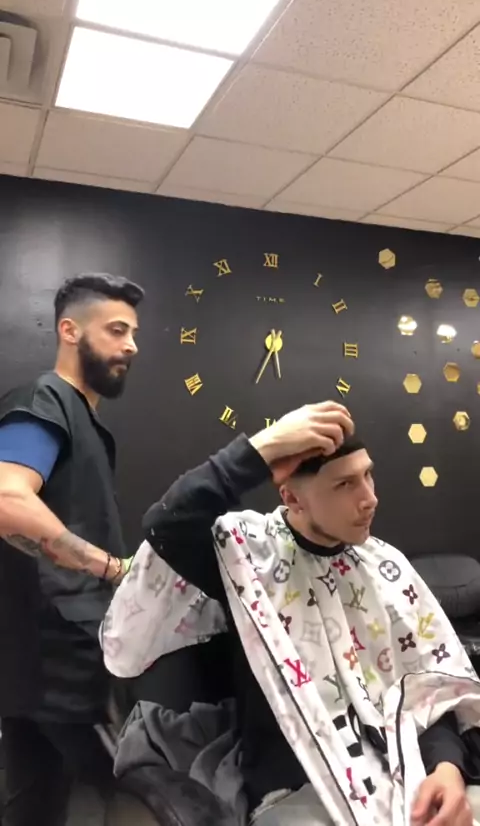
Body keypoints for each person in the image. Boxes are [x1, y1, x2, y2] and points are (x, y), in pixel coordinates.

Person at [143, 401, 480, 826]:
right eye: (345, 485)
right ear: (291, 498)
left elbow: (425, 688)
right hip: (299, 786)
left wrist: (447, 767)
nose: (370, 499)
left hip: (404, 766)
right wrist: (261, 451)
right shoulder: (246, 561)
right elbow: (165, 525)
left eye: (368, 475)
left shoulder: (383, 566)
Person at [0, 272, 143, 826]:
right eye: (117, 330)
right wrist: (112, 568)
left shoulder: (83, 419)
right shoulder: (47, 399)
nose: (131, 345)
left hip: (38, 667)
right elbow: (7, 499)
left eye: (133, 333)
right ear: (69, 331)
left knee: (34, 805)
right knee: (148, 799)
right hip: (59, 663)